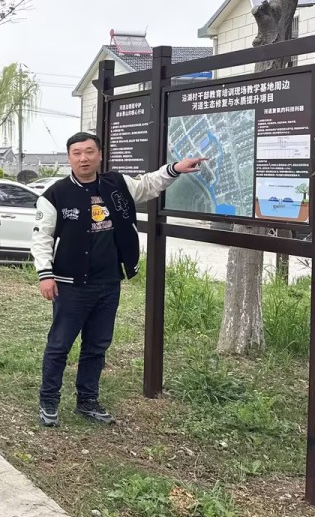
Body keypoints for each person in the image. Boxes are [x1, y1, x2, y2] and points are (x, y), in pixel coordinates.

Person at [31, 132, 204, 427]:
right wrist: (45, 274)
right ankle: (49, 401)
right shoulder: (55, 195)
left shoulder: (117, 184)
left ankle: (87, 401)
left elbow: (148, 184)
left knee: (97, 346)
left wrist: (175, 168)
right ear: (69, 158)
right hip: (70, 284)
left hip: (108, 282)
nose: (83, 158)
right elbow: (41, 237)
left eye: (89, 151)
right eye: (76, 153)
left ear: (100, 155)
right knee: (59, 345)